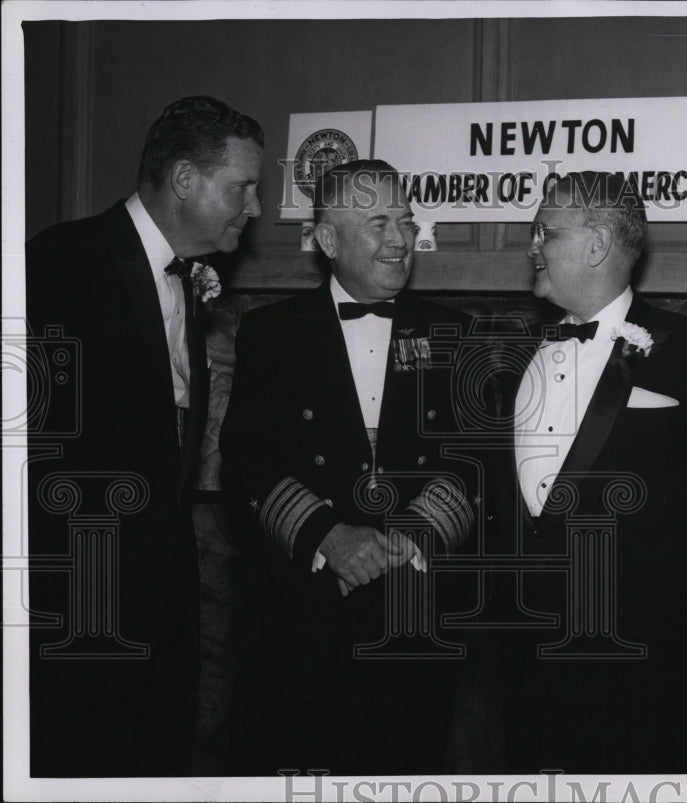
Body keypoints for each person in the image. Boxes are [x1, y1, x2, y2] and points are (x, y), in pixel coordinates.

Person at [26, 95, 264, 776]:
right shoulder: (62, 263)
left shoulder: (191, 277)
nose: (252, 206)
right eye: (240, 187)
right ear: (185, 179)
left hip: (161, 584)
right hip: (82, 594)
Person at [220, 159, 477, 775]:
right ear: (328, 240)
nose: (399, 238)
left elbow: (477, 462)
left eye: (407, 221)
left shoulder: (455, 332)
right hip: (300, 623)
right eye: (379, 222)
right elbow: (248, 462)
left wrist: (406, 537)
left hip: (411, 622)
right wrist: (329, 538)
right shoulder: (270, 333)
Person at [485, 171, 687, 774]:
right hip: (523, 675)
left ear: (597, 245)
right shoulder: (506, 354)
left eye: (543, 230)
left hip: (644, 683)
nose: (532, 246)